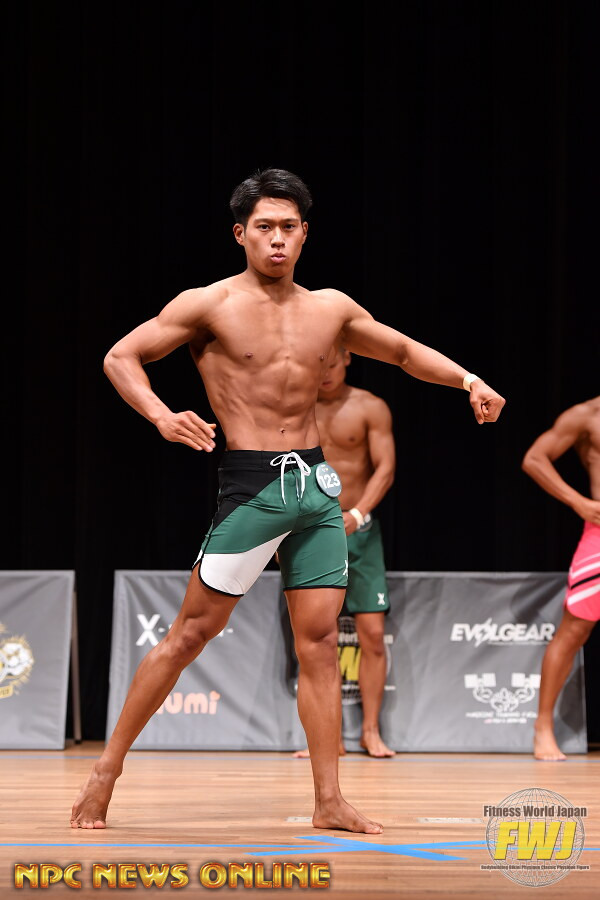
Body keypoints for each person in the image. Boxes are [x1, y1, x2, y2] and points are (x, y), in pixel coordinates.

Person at [70, 167, 505, 833]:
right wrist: (161, 416)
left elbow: (403, 351)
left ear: (305, 235)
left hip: (318, 490)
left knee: (321, 646)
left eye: (289, 227)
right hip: (252, 487)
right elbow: (120, 357)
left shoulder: (330, 309)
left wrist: (468, 379)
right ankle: (105, 772)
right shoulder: (208, 304)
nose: (277, 238)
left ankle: (329, 799)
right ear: (241, 234)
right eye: (265, 227)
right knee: (189, 635)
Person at [293, 347, 396, 759]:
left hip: (360, 530)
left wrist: (357, 512)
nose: (325, 374)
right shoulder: (296, 407)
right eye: (317, 365)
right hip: (310, 533)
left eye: (331, 364)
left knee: (372, 635)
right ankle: (327, 737)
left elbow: (385, 468)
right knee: (316, 640)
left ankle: (370, 731)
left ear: (348, 358)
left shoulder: (370, 406)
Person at [522, 396, 600, 761]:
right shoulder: (588, 415)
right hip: (599, 536)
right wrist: (578, 502)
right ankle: (543, 727)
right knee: (573, 631)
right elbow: (534, 459)